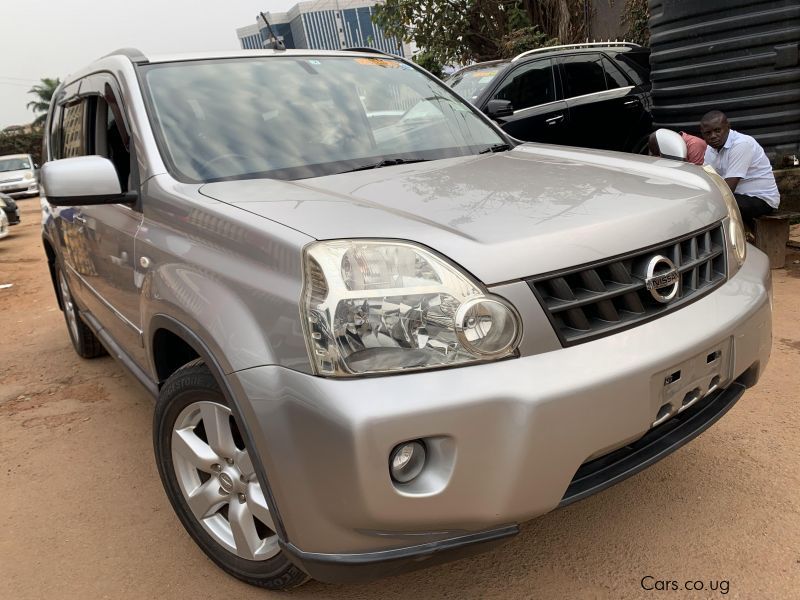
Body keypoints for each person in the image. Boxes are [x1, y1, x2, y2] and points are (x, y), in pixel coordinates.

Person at [700, 110, 780, 226]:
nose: (713, 136)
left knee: (716, 207)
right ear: (702, 134)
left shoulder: (742, 144)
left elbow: (728, 188)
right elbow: (709, 180)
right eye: (708, 133)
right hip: (736, 197)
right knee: (706, 205)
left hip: (761, 199)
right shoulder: (710, 149)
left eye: (717, 130)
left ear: (728, 127)